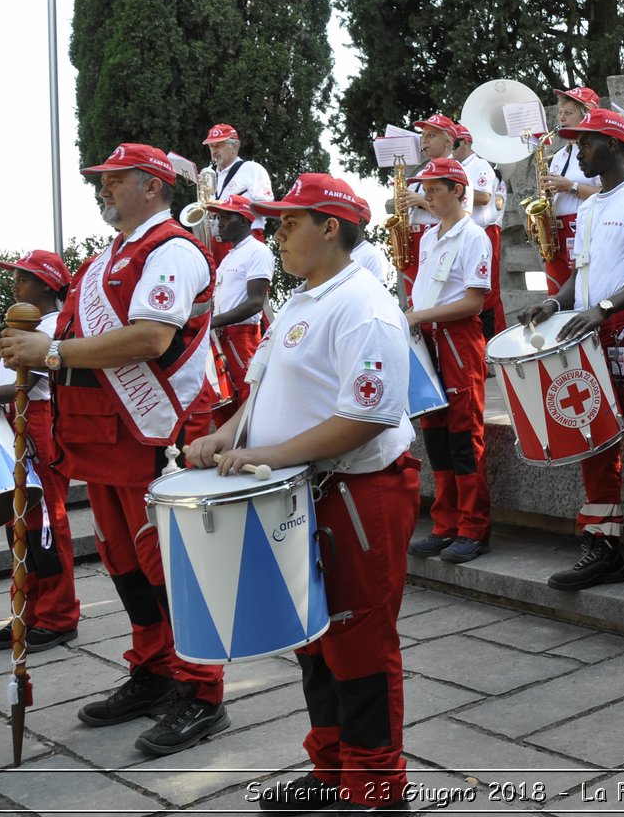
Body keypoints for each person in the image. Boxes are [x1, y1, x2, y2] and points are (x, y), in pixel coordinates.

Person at [186, 174, 419, 813]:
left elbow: (369, 416)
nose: (277, 233)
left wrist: (263, 454)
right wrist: (226, 434)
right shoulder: (299, 300)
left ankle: (376, 789)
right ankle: (332, 768)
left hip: (357, 491)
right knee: (312, 635)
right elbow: (258, 393)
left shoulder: (365, 304)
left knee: (359, 639)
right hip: (302, 491)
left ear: (331, 227)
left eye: (290, 223)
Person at [0, 143, 226, 754]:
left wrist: (47, 354)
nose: (103, 189)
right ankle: (153, 670)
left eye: (115, 179)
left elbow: (150, 338)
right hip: (101, 436)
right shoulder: (107, 259)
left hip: (153, 431)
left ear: (152, 186)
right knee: (125, 566)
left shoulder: (173, 249)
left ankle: (201, 691)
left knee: (169, 568)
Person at [514, 110, 624, 605]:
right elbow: (582, 274)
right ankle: (604, 548)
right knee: (593, 440)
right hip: (589, 333)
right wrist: (555, 301)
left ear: (612, 144)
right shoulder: (588, 208)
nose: (578, 152)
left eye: (585, 143)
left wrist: (605, 308)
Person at [0, 251, 80, 653]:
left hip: (40, 421)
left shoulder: (54, 327)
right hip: (16, 422)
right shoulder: (24, 323)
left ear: (45, 284)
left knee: (45, 519)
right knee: (15, 518)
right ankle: (27, 610)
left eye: (23, 278)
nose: (15, 284)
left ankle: (59, 616)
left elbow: (33, 382)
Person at [404, 157, 493, 565]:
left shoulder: (474, 236)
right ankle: (445, 524)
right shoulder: (427, 237)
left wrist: (420, 315)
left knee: (463, 435)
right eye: (425, 190)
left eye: (434, 189)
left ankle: (474, 528)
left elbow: (474, 301)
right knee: (436, 434)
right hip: (429, 339)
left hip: (458, 341)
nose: (427, 197)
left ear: (458, 190)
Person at [205, 194, 273, 421]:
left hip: (242, 338)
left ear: (244, 220)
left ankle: (245, 454)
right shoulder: (229, 257)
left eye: (225, 217)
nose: (218, 224)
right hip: (221, 335)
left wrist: (211, 322)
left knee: (247, 401)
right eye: (218, 218)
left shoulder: (258, 251)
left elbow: (255, 303)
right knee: (221, 399)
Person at [535, 88, 603, 296]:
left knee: (583, 293)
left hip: (583, 228)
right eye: (560, 112)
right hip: (556, 234)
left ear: (587, 114)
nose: (561, 118)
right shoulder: (559, 155)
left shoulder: (597, 151)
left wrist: (571, 186)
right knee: (556, 295)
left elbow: (607, 193)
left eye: (569, 112)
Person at [391, 113, 462, 292]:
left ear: (447, 142)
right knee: (414, 296)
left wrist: (421, 201)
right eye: (423, 136)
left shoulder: (457, 170)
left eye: (431, 136)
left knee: (431, 295)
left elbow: (460, 212)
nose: (424, 141)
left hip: (436, 236)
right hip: (415, 239)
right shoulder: (423, 171)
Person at [452, 121, 506, 338]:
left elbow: (484, 197)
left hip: (484, 231)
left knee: (487, 290)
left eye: (453, 143)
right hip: (466, 232)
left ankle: (490, 343)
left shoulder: (480, 165)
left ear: (465, 142)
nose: (450, 149)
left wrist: (453, 192)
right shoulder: (456, 166)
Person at [201, 123, 274, 263]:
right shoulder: (209, 175)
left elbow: (266, 207)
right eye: (211, 146)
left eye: (219, 145)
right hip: (215, 243)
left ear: (234, 146)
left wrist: (225, 206)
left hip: (245, 240)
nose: (214, 151)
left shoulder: (252, 169)